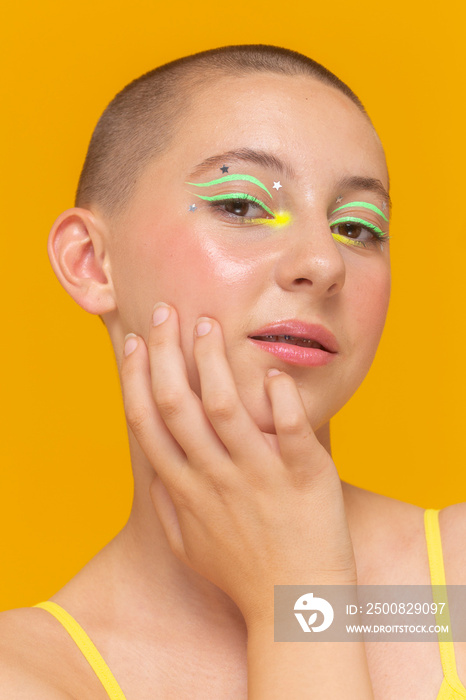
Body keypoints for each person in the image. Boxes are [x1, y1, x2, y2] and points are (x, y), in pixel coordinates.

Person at [0, 44, 465, 699]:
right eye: (243, 206)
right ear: (91, 262)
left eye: (357, 227)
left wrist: (300, 592)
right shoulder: (28, 676)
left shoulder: (451, 602)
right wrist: (297, 590)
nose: (323, 263)